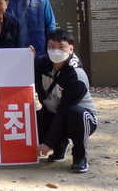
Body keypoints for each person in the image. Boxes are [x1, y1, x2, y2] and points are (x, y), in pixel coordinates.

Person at [36, 30, 97, 174]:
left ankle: (80, 155)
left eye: (61, 46)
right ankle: (60, 145)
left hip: (81, 119)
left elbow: (64, 110)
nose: (56, 50)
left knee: (74, 113)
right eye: (51, 46)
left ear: (71, 49)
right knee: (34, 120)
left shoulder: (77, 75)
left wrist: (47, 143)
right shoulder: (41, 64)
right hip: (53, 111)